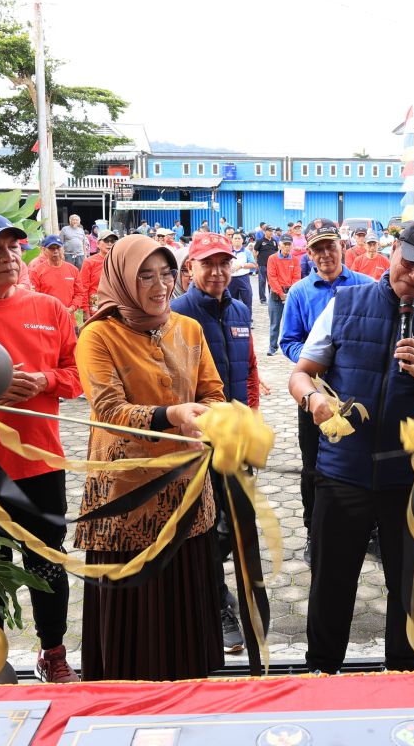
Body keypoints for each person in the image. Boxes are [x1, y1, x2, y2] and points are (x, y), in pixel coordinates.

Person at [288, 220, 414, 673]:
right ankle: (322, 670)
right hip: (342, 473)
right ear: (393, 251)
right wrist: (313, 399)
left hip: (412, 482)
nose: (413, 278)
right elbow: (301, 373)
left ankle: (407, 676)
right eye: (407, 264)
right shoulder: (346, 303)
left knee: (411, 587)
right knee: (331, 582)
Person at [76, 235, 225, 679]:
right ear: (122, 278)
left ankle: (188, 688)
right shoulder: (98, 335)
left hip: (186, 488)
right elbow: (109, 410)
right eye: (145, 275)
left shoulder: (189, 329)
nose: (159, 285)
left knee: (184, 591)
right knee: (134, 602)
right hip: (125, 494)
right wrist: (171, 414)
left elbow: (212, 392)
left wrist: (214, 419)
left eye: (165, 274)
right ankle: (127, 697)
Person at [0, 212, 81, 683]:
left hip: (41, 464)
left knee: (48, 563)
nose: (7, 257)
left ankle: (53, 653)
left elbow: (75, 377)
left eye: (13, 247)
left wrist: (44, 380)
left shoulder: (49, 309)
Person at [171, 231, 263, 655]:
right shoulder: (175, 315)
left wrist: (252, 420)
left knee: (236, 525)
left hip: (236, 440)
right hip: (195, 444)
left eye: (224, 263)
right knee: (204, 525)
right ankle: (215, 604)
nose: (217, 271)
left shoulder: (241, 309)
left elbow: (248, 372)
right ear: (190, 267)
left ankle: (233, 597)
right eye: (208, 263)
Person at [280, 219, 374, 557]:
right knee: (313, 464)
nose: (324, 255)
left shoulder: (367, 287)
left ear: (342, 247)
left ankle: (369, 531)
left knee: (363, 459)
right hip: (314, 392)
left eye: (329, 246)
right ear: (309, 253)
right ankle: (313, 532)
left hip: (357, 393)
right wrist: (314, 358)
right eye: (317, 249)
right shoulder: (300, 292)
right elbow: (287, 340)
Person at [30, 234, 85, 316]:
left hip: (69, 317)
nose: (55, 251)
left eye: (58, 247)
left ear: (63, 249)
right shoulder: (37, 271)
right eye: (51, 248)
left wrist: (71, 308)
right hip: (47, 318)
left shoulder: (73, 270)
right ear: (44, 250)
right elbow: (34, 296)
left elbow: (79, 294)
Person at [265, 234, 301, 356]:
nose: (287, 246)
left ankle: (292, 346)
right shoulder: (272, 258)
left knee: (292, 321)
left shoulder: (295, 260)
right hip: (276, 294)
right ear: (279, 244)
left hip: (291, 293)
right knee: (275, 323)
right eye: (284, 244)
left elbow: (297, 277)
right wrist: (281, 294)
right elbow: (272, 278)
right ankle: (272, 347)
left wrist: (289, 294)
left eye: (289, 244)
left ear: (292, 245)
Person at [78, 230, 119, 318]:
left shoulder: (118, 261)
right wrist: (85, 310)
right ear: (98, 244)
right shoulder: (90, 262)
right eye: (106, 241)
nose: (109, 244)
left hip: (114, 302)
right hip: (95, 301)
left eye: (112, 241)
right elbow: (83, 287)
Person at [227, 231, 257, 319]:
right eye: (235, 238)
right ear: (231, 240)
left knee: (247, 300)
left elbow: (253, 264)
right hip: (230, 279)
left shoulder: (247, 252)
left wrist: (241, 265)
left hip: (243, 279)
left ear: (242, 240)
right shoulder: (228, 251)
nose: (237, 240)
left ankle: (247, 319)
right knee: (231, 301)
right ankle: (233, 319)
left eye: (239, 238)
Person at [252, 224, 279, 305]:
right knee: (262, 282)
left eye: (272, 231)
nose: (271, 232)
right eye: (269, 231)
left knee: (272, 282)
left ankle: (272, 298)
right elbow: (255, 251)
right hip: (262, 264)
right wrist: (256, 261)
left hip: (272, 265)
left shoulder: (274, 241)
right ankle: (263, 300)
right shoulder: (260, 241)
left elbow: (276, 252)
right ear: (265, 231)